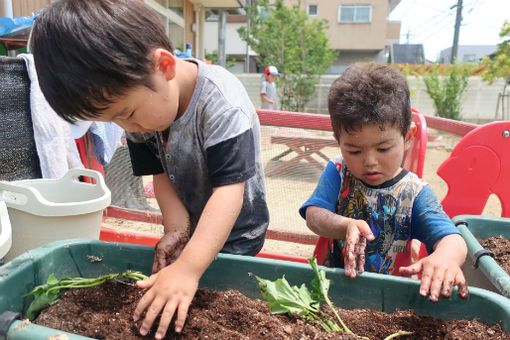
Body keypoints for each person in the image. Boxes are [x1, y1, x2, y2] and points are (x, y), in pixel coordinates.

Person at [30, 0, 270, 339]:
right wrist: (177, 230)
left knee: (227, 304)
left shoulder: (222, 102)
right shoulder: (143, 105)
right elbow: (159, 172)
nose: (125, 125)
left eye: (125, 114)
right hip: (194, 225)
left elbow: (230, 191)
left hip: (236, 234)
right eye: (111, 119)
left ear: (164, 66)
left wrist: (188, 269)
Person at [299, 64, 469, 303]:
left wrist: (446, 258)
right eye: (354, 150)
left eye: (383, 148)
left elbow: (453, 239)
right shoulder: (338, 172)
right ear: (338, 141)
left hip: (389, 300)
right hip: (332, 291)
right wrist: (345, 224)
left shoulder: (414, 193)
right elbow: (314, 216)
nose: (369, 162)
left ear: (407, 137)